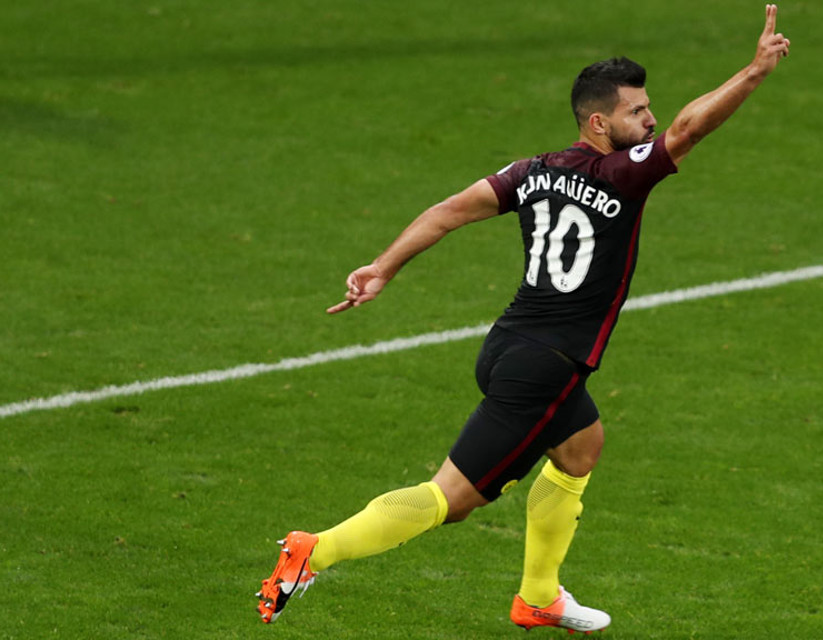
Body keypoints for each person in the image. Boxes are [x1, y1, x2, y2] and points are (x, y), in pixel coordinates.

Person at [257, 5, 790, 634]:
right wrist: (753, 72)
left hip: (510, 345)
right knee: (448, 501)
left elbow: (448, 211)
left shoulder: (532, 172)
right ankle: (313, 550)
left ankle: (538, 596)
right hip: (546, 366)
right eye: (637, 112)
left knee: (581, 447)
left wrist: (383, 266)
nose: (651, 120)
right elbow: (692, 130)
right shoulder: (623, 175)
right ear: (599, 121)